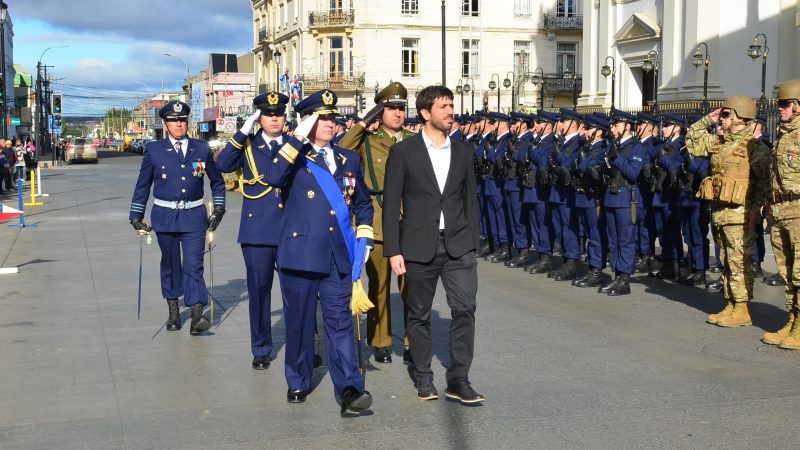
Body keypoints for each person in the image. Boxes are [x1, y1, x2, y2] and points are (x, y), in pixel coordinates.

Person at [264, 89, 374, 416]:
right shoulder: (293, 155)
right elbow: (272, 177)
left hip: (338, 256)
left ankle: (350, 389)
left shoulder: (348, 158)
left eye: (332, 117)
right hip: (300, 254)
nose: (330, 123)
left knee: (340, 323)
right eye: (322, 117)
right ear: (307, 119)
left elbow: (363, 203)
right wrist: (297, 136)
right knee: (298, 323)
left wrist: (364, 236)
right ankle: (297, 379)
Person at [383, 85, 484, 405]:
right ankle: (424, 374)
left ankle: (458, 379)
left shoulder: (464, 151)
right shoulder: (404, 152)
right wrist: (393, 250)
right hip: (417, 246)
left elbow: (470, 200)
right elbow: (391, 203)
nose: (450, 112)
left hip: (458, 247)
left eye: (451, 106)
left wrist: (473, 243)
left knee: (465, 308)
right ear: (426, 113)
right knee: (419, 313)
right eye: (443, 107)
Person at [129, 101, 226, 335]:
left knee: (194, 265)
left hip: (194, 216)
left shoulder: (201, 148)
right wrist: (136, 214)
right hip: (165, 217)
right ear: (166, 124)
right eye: (174, 120)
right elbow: (143, 185)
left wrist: (219, 207)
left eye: (182, 120)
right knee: (171, 265)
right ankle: (173, 310)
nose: (179, 124)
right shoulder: (154, 150)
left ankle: (196, 315)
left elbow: (217, 181)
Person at [338, 82, 416, 365]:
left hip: (411, 223)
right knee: (379, 286)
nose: (397, 113)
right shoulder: (367, 142)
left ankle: (412, 341)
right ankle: (381, 341)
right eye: (391, 108)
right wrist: (362, 124)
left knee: (412, 288)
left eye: (401, 108)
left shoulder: (413, 140)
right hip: (381, 222)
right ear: (380, 111)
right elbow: (341, 152)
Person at [216, 91, 289, 370]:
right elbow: (222, 165)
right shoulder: (248, 145)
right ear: (259, 118)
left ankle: (305, 342)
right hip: (257, 231)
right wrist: (242, 130)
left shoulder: (295, 144)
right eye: (268, 115)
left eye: (278, 114)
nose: (274, 119)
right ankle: (261, 348)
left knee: (297, 293)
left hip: (291, 230)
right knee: (259, 292)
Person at [686, 96, 770, 327]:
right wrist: (707, 119)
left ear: (739, 117)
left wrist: (756, 211)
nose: (721, 119)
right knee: (726, 260)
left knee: (739, 261)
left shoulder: (754, 147)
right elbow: (692, 141)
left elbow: (764, 183)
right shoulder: (719, 143)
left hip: (740, 213)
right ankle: (732, 303)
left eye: (725, 115)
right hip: (720, 211)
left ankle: (742, 308)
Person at [763, 79, 800, 348]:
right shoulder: (784, 134)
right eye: (780, 104)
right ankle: (793, 318)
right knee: (787, 271)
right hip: (780, 210)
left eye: (785, 104)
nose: (781, 109)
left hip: (798, 210)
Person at [598, 110, 645, 296]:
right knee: (613, 239)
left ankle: (625, 279)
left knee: (625, 240)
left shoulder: (636, 147)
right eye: (612, 124)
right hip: (611, 196)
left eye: (616, 124)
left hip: (626, 198)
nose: (612, 128)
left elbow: (633, 173)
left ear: (627, 126)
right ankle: (617, 275)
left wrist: (616, 158)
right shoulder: (612, 145)